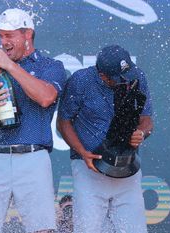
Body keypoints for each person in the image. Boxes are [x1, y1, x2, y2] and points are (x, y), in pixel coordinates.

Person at [0, 8, 67, 233]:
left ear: (27, 35)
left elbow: (45, 97)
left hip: (33, 158)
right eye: (1, 36)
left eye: (10, 35)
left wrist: (9, 66)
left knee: (43, 229)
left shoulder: (50, 66)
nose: (4, 42)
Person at [57, 45, 153, 233]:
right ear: (102, 75)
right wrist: (82, 152)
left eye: (126, 73)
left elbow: (147, 120)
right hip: (89, 166)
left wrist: (141, 133)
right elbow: (63, 122)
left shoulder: (138, 76)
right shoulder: (81, 81)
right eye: (118, 77)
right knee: (87, 229)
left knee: (135, 229)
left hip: (127, 166)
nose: (125, 80)